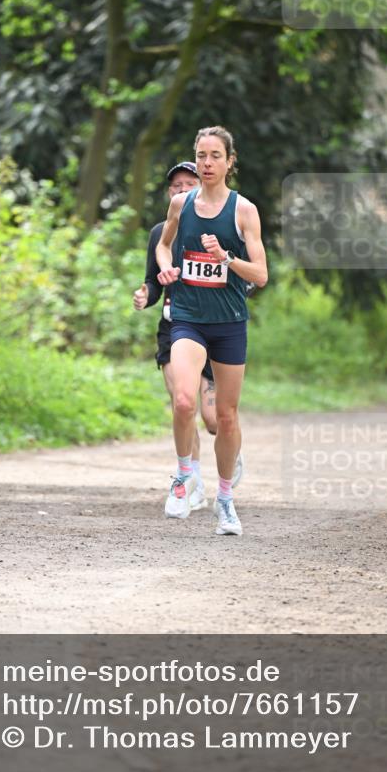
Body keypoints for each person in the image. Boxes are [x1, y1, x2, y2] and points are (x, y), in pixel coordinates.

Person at [156, 127, 268, 536]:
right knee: (184, 401)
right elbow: (163, 245)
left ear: (229, 161)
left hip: (229, 324)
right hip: (188, 318)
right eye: (201, 155)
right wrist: (166, 268)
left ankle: (225, 500)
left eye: (215, 156)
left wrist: (227, 258)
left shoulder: (244, 211)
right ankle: (184, 476)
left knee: (225, 417)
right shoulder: (181, 204)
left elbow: (261, 274)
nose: (206, 163)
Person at [132, 161, 244, 517]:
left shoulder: (222, 225)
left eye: (188, 184)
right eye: (175, 185)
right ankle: (190, 481)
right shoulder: (160, 233)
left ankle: (229, 449)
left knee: (214, 419)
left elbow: (245, 278)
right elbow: (153, 280)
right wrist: (145, 294)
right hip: (176, 327)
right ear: (170, 193)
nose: (181, 190)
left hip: (217, 326)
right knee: (183, 403)